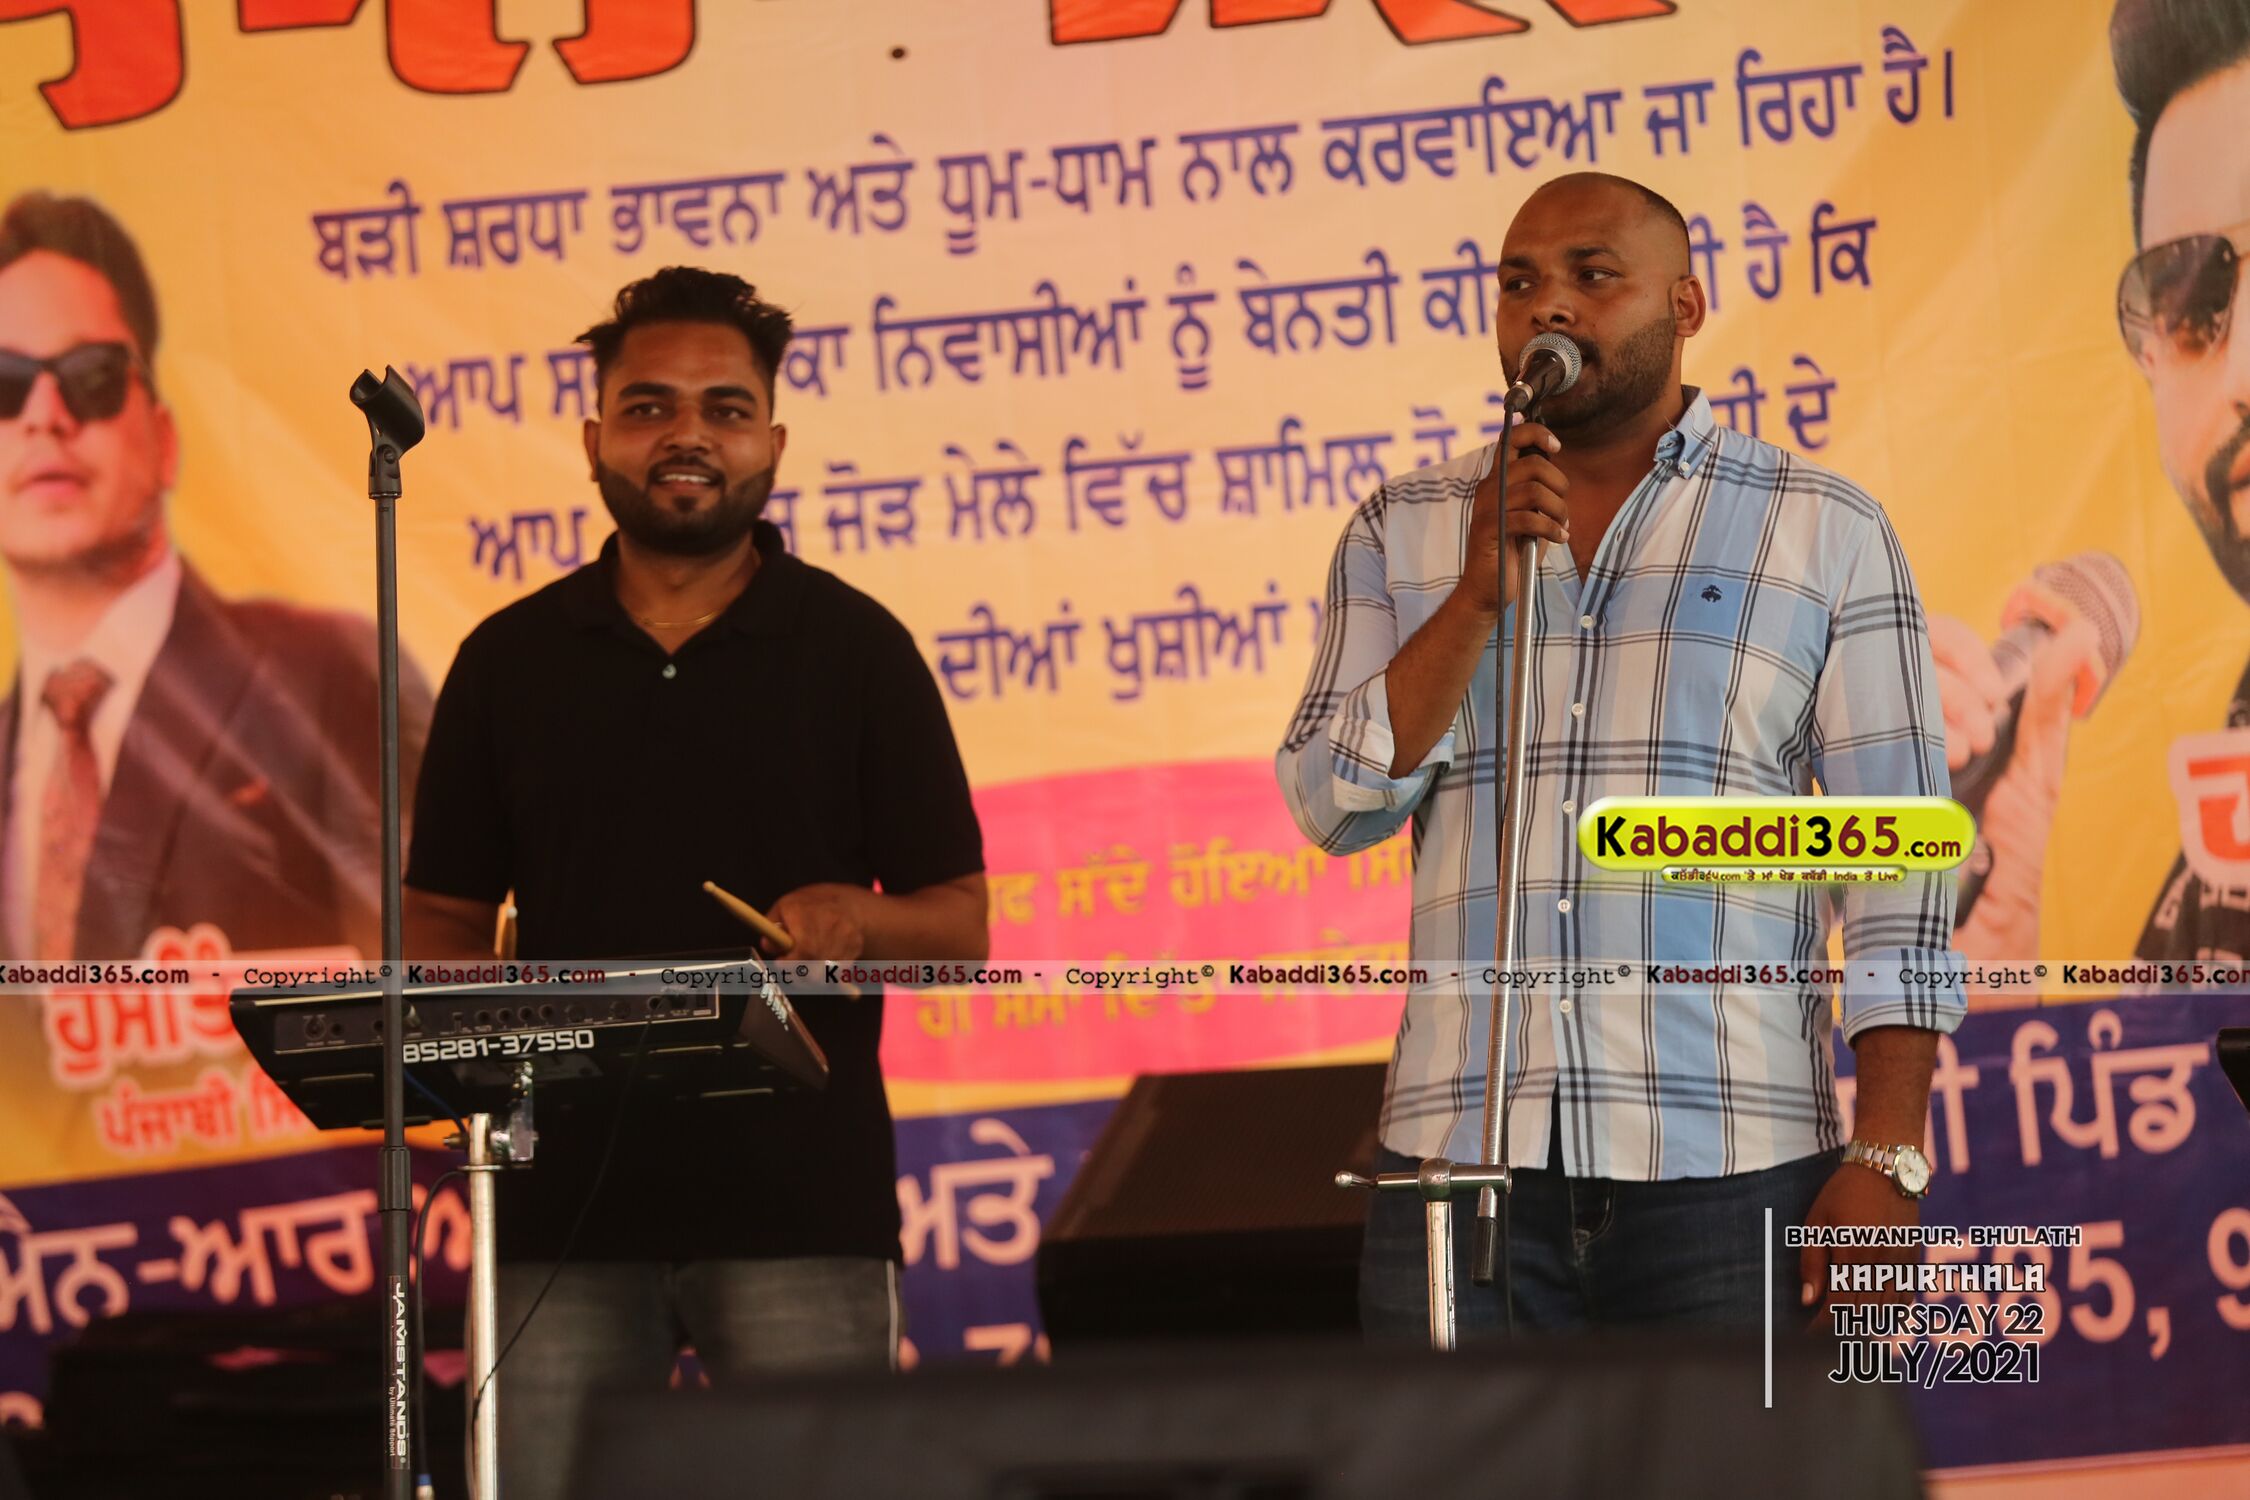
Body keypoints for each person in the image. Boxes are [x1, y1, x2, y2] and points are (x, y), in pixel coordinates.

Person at [1276, 172, 1966, 1335]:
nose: (1549, 306)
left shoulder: (1820, 527)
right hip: (1461, 1160)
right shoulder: (1407, 529)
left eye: (1592, 276)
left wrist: (1889, 1152)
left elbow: (1898, 868)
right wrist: (1472, 600)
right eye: (1520, 283)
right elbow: (1333, 806)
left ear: (1685, 306)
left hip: (1733, 1166)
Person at [402, 266, 988, 1500]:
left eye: (725, 409)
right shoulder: (508, 661)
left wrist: (858, 920)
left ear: (773, 441)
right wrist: (466, 1046)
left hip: (799, 1204)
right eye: (649, 406)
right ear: (593, 440)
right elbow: (440, 924)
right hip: (555, 1213)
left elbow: (962, 926)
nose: (687, 435)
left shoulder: (857, 650)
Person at [0, 191, 428, 962]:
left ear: (164, 438)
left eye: (91, 377)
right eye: (5, 384)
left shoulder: (330, 675)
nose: (44, 416)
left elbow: (423, 971)